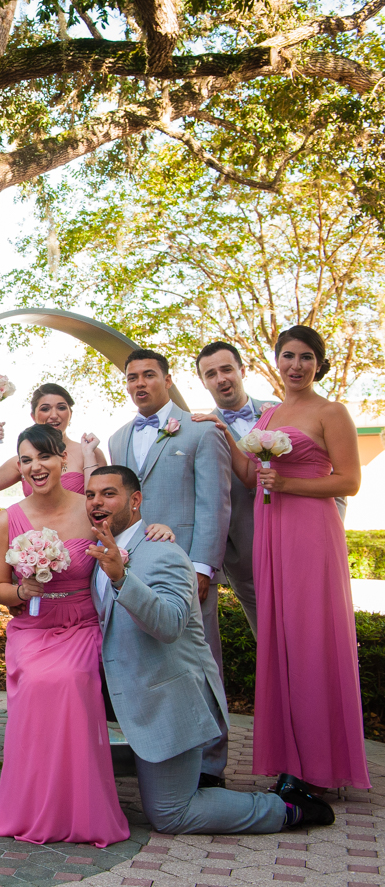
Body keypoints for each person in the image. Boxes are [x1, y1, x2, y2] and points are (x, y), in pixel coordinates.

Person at [85, 466, 335, 833]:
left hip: (168, 700)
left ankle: (288, 809)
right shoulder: (102, 549)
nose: (96, 502)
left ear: (135, 501)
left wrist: (122, 577)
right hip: (130, 699)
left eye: (109, 493)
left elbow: (169, 624)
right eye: (91, 495)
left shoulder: (163, 553)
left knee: (171, 814)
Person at [220, 326, 370, 790]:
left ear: (318, 364)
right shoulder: (270, 415)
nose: (297, 366)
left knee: (311, 638)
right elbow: (250, 476)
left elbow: (348, 481)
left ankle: (320, 767)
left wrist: (291, 486)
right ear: (277, 360)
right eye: (289, 356)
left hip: (310, 531)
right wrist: (220, 430)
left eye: (307, 357)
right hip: (272, 531)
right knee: (281, 640)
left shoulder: (332, 412)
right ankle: (290, 759)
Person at [0, 426, 130, 847]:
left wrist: (161, 532)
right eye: (25, 460)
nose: (35, 467)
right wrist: (22, 591)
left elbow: (133, 536)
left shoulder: (92, 509)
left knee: (71, 681)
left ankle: (81, 805)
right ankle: (31, 803)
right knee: (40, 683)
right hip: (34, 626)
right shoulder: (8, 520)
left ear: (64, 458)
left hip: (82, 623)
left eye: (43, 457)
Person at [106, 348, 233, 788]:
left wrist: (202, 568)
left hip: (184, 566)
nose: (139, 384)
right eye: (132, 378)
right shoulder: (120, 437)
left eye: (148, 376)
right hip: (134, 566)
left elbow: (215, 504)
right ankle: (158, 751)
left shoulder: (200, 431)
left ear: (166, 378)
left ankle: (211, 764)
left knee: (202, 661)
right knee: (150, 660)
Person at [194, 342, 276, 635]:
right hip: (245, 561)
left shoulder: (282, 412)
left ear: (242, 370)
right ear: (204, 382)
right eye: (211, 374)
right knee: (267, 644)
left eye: (227, 369)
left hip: (296, 548)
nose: (221, 379)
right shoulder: (201, 430)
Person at [0, 383, 101, 496]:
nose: (54, 415)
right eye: (45, 409)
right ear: (33, 416)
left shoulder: (90, 453)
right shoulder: (23, 460)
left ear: (70, 413)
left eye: (61, 408)